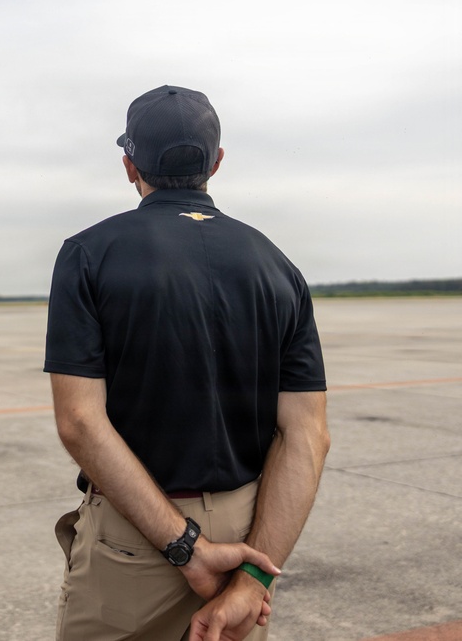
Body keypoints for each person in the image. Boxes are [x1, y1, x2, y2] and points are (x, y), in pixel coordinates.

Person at [45, 85, 330, 641]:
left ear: (130, 165)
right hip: (253, 529)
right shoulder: (278, 267)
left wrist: (185, 546)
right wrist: (253, 577)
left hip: (138, 535)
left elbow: (80, 421)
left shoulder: (88, 254)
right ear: (216, 163)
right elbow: (307, 435)